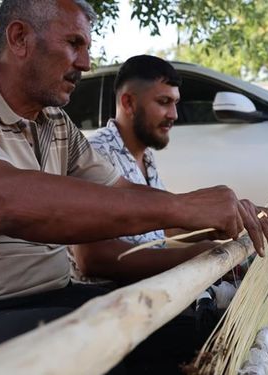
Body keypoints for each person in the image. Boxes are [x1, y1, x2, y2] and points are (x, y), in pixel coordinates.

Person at [0, 0, 268, 373]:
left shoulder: (56, 126)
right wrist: (180, 209)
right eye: (74, 44)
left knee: (201, 333)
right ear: (19, 39)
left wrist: (212, 215)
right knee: (105, 354)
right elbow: (3, 202)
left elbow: (122, 193)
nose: (86, 63)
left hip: (52, 296)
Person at [70, 55, 219, 287]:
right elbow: (92, 258)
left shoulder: (145, 155)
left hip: (151, 295)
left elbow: (161, 224)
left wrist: (213, 226)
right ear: (128, 103)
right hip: (111, 307)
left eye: (175, 103)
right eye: (163, 102)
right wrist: (192, 257)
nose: (174, 115)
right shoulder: (96, 154)